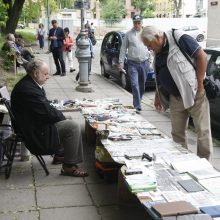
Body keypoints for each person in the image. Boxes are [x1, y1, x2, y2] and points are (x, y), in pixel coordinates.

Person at [141, 25, 213, 161]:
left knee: (203, 132)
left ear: (158, 38)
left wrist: (200, 84)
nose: (149, 49)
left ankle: (205, 166)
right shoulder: (157, 51)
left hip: (194, 92)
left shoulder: (179, 37)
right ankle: (183, 163)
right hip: (175, 97)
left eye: (149, 45)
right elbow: (159, 74)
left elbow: (202, 56)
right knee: (177, 134)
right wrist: (157, 96)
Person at [10, 59, 88, 177]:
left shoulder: (29, 84)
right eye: (45, 74)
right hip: (35, 132)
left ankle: (60, 155)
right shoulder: (28, 90)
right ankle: (68, 166)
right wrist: (61, 117)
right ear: (35, 73)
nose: (48, 77)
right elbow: (48, 113)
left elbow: (44, 108)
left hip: (33, 124)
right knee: (73, 126)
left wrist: (60, 116)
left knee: (68, 117)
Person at [118, 15, 150, 113]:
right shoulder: (128, 34)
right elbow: (123, 48)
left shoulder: (146, 33)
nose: (137, 25)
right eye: (135, 23)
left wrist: (152, 60)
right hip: (132, 64)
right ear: (133, 23)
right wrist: (121, 62)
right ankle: (137, 106)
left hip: (144, 63)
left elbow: (151, 47)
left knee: (142, 85)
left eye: (138, 23)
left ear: (142, 23)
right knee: (134, 84)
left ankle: (138, 101)